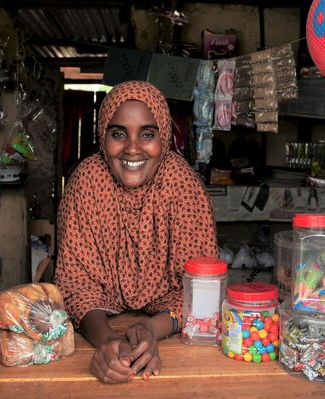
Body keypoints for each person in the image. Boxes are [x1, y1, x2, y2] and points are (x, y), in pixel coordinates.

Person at [55, 80, 218, 384]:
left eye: (147, 134)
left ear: (164, 137)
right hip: (96, 324)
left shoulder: (183, 186)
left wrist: (151, 330)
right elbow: (73, 283)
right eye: (119, 134)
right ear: (103, 136)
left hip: (175, 338)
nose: (132, 148)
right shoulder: (86, 183)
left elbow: (202, 287)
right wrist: (106, 340)